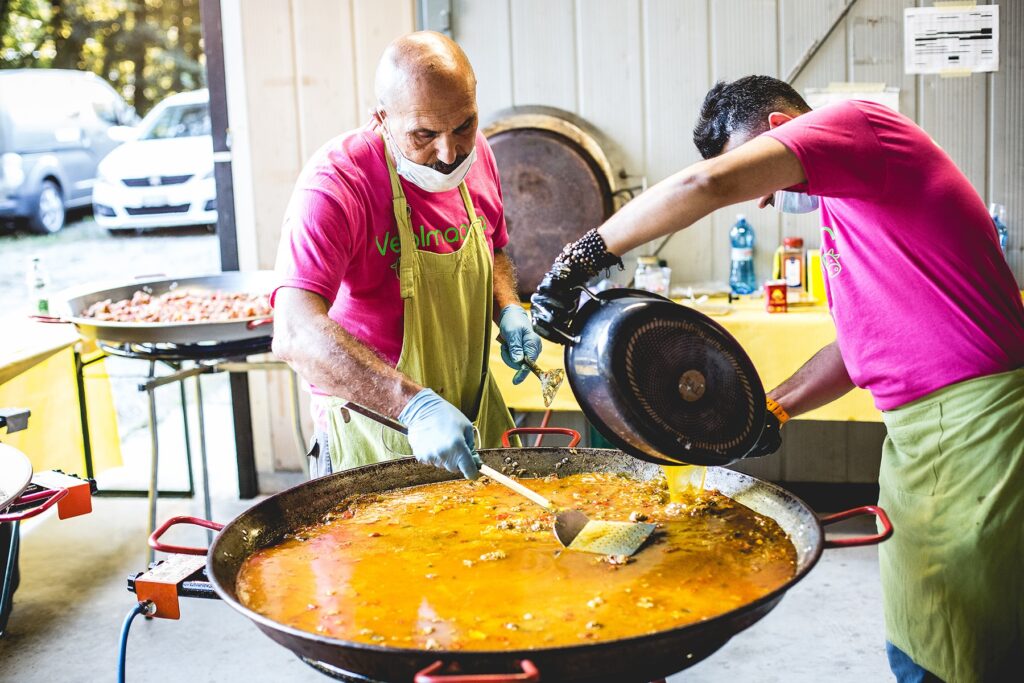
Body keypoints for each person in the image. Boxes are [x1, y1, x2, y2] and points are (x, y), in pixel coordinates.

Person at [531, 75, 1024, 682]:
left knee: (974, 639)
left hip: (981, 428)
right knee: (921, 633)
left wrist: (579, 258)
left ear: (776, 131)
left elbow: (705, 184)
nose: (760, 200)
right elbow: (856, 348)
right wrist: (773, 411)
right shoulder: (851, 210)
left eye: (752, 173)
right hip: (916, 441)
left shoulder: (864, 124)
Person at [272, 31, 539, 480]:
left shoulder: (477, 155)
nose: (448, 153)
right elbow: (294, 332)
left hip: (475, 430)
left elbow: (491, 247)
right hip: (375, 443)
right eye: (423, 134)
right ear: (381, 118)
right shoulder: (337, 183)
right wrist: (413, 406)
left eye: (463, 126)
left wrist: (509, 308)